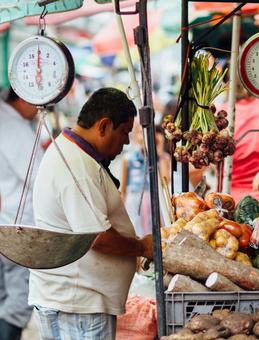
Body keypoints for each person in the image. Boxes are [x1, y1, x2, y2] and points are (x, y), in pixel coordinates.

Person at [29, 88, 153, 339]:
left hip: (74, 302)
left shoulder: (74, 154)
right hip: (78, 307)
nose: (126, 142)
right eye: (124, 133)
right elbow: (97, 237)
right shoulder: (76, 165)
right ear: (104, 126)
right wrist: (141, 247)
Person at [0, 88, 40, 340]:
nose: (39, 110)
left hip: (7, 221)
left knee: (5, 296)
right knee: (17, 299)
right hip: (15, 227)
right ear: (23, 98)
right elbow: (39, 176)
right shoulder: (12, 127)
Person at [121, 124, 171, 236]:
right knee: (136, 233)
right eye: (140, 133)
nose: (144, 138)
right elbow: (123, 189)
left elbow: (165, 181)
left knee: (158, 234)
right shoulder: (128, 159)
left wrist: (159, 151)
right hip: (134, 201)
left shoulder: (163, 158)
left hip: (154, 200)